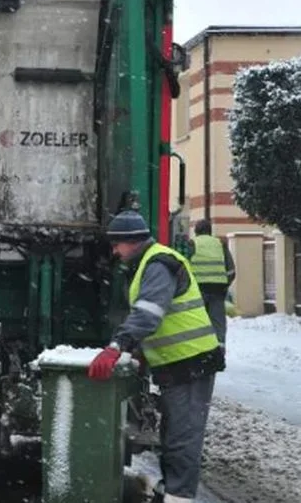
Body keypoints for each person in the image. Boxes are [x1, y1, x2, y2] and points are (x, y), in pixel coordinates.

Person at [87, 209, 223, 503]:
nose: (114, 250)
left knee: (183, 438)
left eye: (116, 244)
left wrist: (117, 346)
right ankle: (171, 492)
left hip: (191, 362)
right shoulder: (149, 263)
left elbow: (149, 315)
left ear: (132, 241)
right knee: (173, 435)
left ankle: (179, 497)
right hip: (181, 364)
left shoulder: (158, 264)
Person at [188, 218, 235, 356]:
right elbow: (231, 271)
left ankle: (197, 350)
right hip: (218, 290)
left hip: (197, 290)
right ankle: (218, 350)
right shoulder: (220, 244)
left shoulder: (192, 244)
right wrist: (224, 285)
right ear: (210, 231)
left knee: (197, 320)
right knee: (217, 322)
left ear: (196, 232)